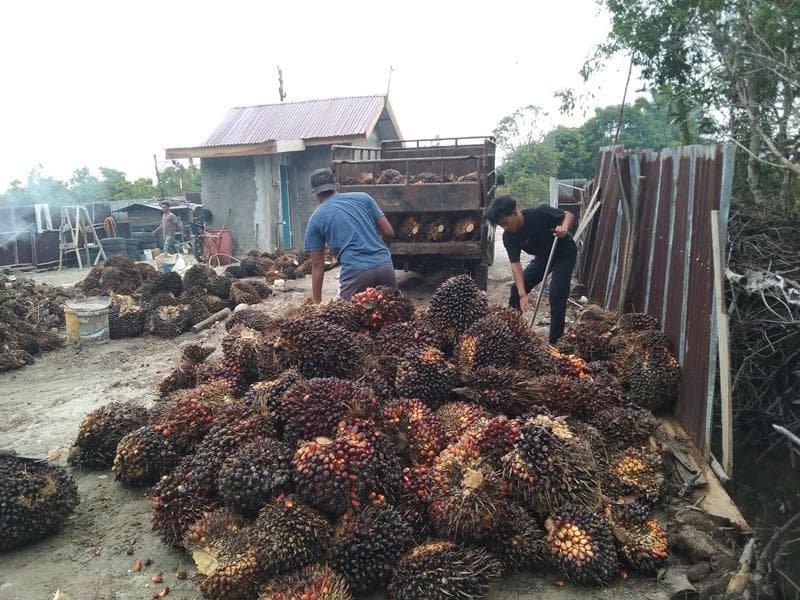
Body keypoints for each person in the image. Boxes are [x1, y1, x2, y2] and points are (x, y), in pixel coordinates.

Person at [485, 195, 576, 345]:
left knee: (557, 294)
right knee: (516, 290)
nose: (505, 227)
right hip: (543, 257)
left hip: (563, 252)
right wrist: (522, 295)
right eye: (501, 226)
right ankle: (511, 335)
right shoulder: (509, 236)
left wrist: (564, 227)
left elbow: (568, 215)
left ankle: (555, 343)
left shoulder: (539, 213)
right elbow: (515, 264)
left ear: (515, 212)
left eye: (505, 223)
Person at [304, 167, 396, 302]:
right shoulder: (364, 198)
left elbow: (318, 265)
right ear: (337, 186)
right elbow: (389, 233)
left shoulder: (315, 218)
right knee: (393, 316)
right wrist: (381, 255)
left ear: (315, 193)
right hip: (386, 268)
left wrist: (317, 304)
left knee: (343, 319)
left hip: (356, 274)